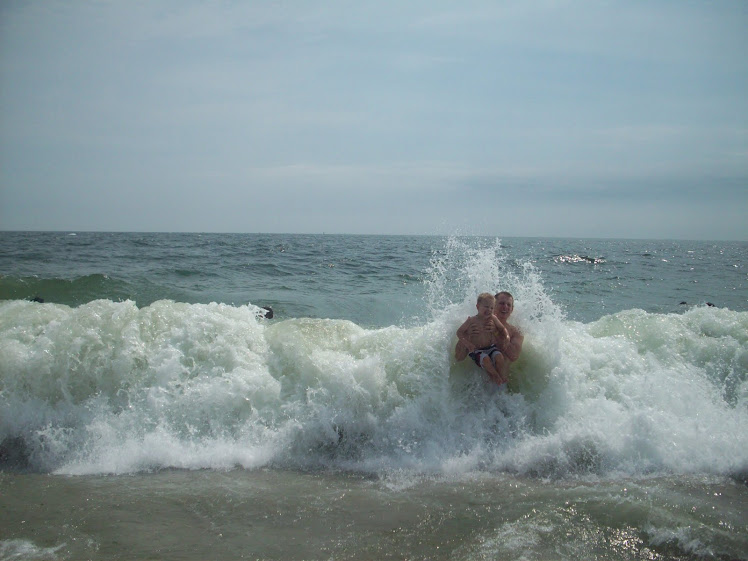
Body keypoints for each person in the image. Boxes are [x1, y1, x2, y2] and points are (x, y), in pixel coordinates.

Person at [455, 291, 524, 384]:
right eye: (502, 303)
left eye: (509, 305)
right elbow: (459, 357)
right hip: (478, 387)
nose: (505, 307)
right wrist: (468, 335)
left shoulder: (515, 332)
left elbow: (514, 356)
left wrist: (496, 333)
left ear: (512, 309)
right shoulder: (474, 325)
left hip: (502, 390)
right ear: (494, 306)